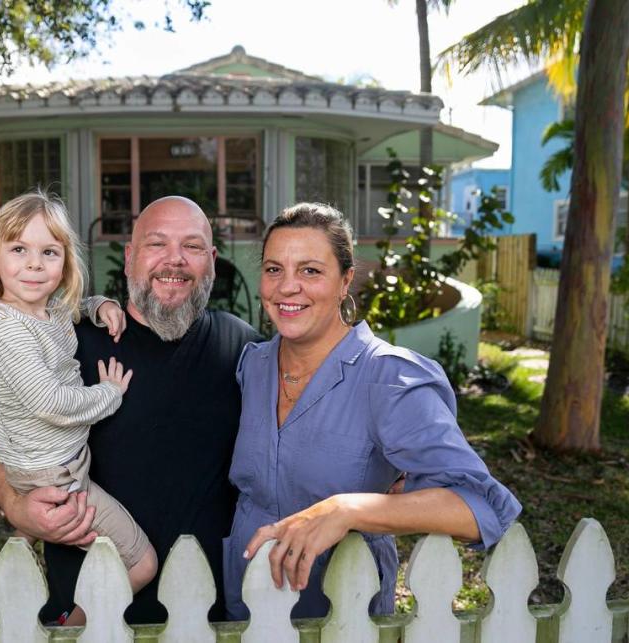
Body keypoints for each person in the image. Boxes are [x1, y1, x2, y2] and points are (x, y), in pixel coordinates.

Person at [224, 202, 522, 619]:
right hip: (245, 605)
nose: (287, 287)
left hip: (342, 612)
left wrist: (346, 509)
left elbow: (478, 506)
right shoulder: (251, 366)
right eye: (274, 269)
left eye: (310, 271)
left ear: (346, 280)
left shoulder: (388, 377)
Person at [0, 195, 262, 623]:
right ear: (131, 257)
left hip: (209, 618)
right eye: (157, 244)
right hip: (90, 618)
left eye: (191, 246)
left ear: (210, 260)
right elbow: (7, 440)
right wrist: (17, 508)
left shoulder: (241, 347)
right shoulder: (70, 338)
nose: (174, 261)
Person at [0, 192, 157, 626]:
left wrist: (100, 306)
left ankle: (20, 552)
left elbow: (68, 310)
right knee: (142, 564)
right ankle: (70, 629)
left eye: (48, 252)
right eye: (19, 250)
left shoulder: (41, 310)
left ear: (65, 262)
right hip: (56, 473)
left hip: (37, 456)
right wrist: (108, 393)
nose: (34, 264)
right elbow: (53, 404)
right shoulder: (3, 328)